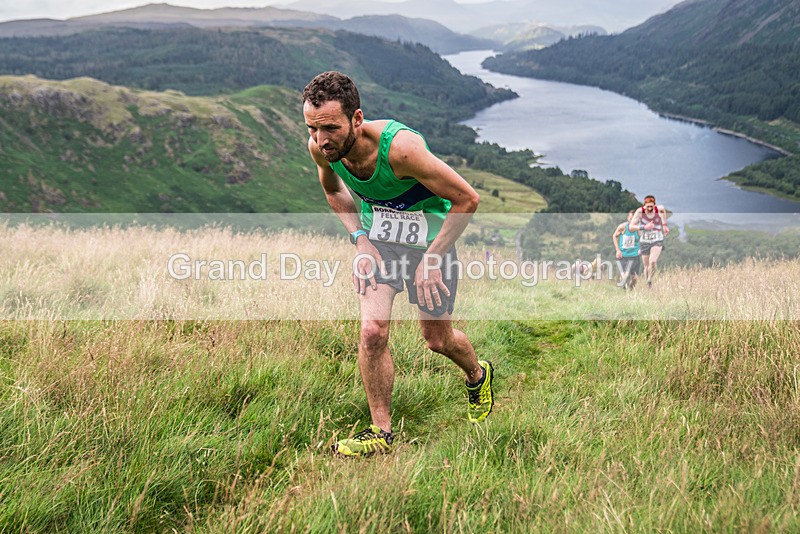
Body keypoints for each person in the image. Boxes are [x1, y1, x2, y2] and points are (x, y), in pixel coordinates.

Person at [302, 71, 494, 457]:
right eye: (312, 128)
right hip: (381, 244)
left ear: (357, 119)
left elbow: (467, 199)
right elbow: (332, 188)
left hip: (431, 244)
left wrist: (433, 258)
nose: (322, 140)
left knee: (438, 340)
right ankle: (381, 432)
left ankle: (477, 375)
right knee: (372, 332)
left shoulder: (400, 150)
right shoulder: (321, 148)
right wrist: (360, 240)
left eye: (331, 129)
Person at [631, 195, 669, 288]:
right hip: (644, 241)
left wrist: (664, 225)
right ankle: (648, 284)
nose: (649, 208)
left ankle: (649, 280)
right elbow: (631, 227)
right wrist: (644, 227)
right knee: (646, 266)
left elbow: (663, 210)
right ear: (644, 205)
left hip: (657, 239)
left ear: (654, 205)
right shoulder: (640, 212)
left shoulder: (658, 209)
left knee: (652, 262)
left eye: (651, 206)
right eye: (647, 206)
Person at [612, 210, 641, 290]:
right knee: (624, 277)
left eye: (635, 219)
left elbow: (643, 240)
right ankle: (624, 290)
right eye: (631, 219)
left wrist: (640, 249)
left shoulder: (639, 229)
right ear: (628, 218)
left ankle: (630, 290)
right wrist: (617, 250)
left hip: (635, 256)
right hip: (623, 256)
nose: (633, 221)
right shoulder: (623, 227)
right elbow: (614, 236)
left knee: (635, 279)